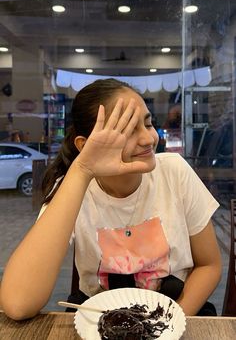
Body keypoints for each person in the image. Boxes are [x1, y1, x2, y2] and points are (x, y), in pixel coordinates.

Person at [0, 78, 221, 320]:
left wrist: (171, 321)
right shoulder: (73, 188)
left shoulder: (174, 171)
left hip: (177, 309)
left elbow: (209, 265)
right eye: (128, 130)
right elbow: (18, 304)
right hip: (98, 317)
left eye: (148, 124)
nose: (148, 139)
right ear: (85, 145)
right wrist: (82, 169)